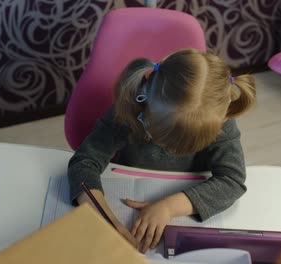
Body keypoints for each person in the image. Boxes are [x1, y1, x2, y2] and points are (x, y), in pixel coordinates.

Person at [67, 48, 256, 253]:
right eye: (163, 140)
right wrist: (107, 220)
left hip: (184, 202)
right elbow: (84, 162)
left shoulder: (220, 121)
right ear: (146, 107)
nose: (172, 150)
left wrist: (168, 207)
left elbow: (232, 180)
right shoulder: (129, 109)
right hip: (130, 182)